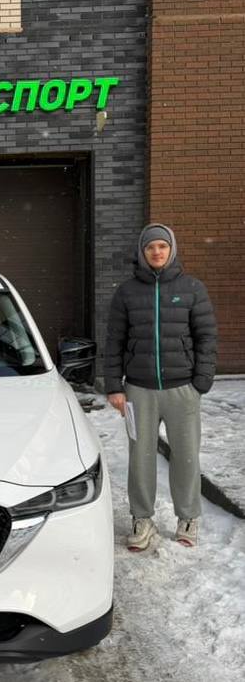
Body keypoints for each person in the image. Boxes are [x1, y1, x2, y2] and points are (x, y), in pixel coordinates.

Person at [104, 224, 217, 551]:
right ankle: (142, 519)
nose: (156, 252)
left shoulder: (192, 288)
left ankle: (188, 518)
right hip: (138, 391)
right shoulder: (127, 292)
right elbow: (114, 341)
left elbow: (206, 337)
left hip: (183, 390)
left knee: (186, 456)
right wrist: (114, 386)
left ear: (171, 250)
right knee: (140, 458)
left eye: (162, 246)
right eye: (151, 247)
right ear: (142, 252)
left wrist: (201, 382)